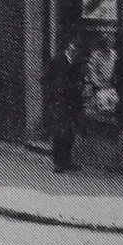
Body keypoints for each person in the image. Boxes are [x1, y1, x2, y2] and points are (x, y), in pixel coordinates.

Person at [46, 35, 85, 172]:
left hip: (73, 100)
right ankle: (58, 161)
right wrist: (51, 96)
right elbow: (47, 79)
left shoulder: (78, 62)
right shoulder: (57, 60)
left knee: (70, 131)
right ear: (69, 48)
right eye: (73, 49)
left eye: (77, 51)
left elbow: (81, 77)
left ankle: (67, 160)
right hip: (60, 100)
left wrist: (80, 86)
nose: (75, 53)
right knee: (59, 130)